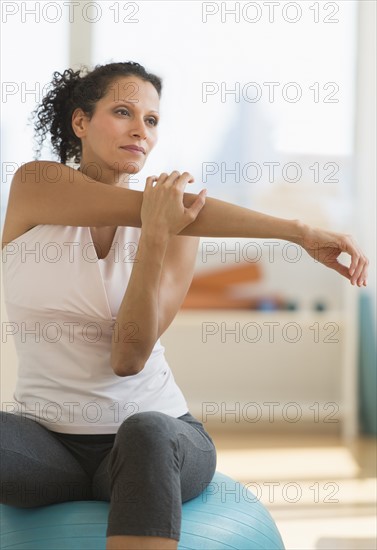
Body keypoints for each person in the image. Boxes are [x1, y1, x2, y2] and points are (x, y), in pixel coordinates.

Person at [0, 61, 369, 550]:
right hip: (48, 448)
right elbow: (157, 209)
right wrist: (293, 231)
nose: (141, 130)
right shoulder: (34, 187)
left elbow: (127, 359)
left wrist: (157, 237)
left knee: (146, 431)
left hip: (157, 441)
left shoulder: (176, 236)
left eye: (152, 120)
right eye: (123, 111)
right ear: (80, 122)